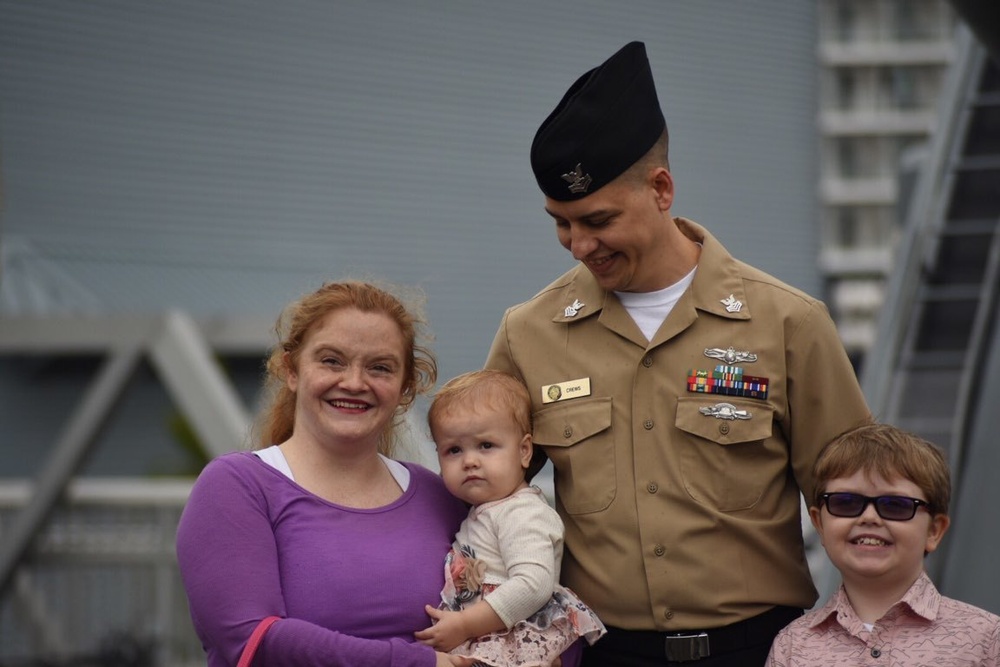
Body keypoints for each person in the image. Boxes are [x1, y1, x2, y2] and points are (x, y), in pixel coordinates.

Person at [484, 41, 873, 666]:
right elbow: (483, 496)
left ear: (661, 188)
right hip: (599, 652)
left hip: (761, 651)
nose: (579, 244)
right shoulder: (529, 332)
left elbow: (858, 503)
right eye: (561, 222)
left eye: (597, 219)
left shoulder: (789, 323)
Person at [175, 281, 474, 667]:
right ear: (291, 369)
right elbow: (252, 640)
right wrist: (420, 663)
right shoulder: (237, 487)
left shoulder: (440, 496)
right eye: (332, 360)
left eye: (379, 367)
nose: (353, 383)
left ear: (405, 388)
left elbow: (517, 596)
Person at [766, 422, 1000, 666]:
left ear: (934, 530)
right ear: (820, 525)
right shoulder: (793, 645)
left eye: (895, 505)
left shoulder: (987, 640)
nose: (869, 517)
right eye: (846, 502)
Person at [415, 369, 605, 667]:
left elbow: (533, 584)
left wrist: (465, 625)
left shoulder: (522, 512)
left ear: (524, 451)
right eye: (453, 450)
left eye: (486, 445)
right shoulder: (484, 509)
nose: (470, 461)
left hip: (512, 637)